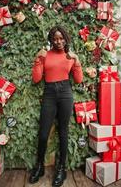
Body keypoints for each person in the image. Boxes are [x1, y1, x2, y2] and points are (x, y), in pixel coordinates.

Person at [29, 25, 83, 186]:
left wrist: (77, 60)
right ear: (51, 40)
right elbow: (36, 79)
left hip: (65, 93)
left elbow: (79, 80)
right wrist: (38, 59)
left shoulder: (70, 56)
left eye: (61, 38)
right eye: (55, 39)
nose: (59, 41)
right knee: (44, 133)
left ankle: (62, 169)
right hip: (50, 93)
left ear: (65, 39)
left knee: (63, 132)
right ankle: (39, 167)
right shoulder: (46, 55)